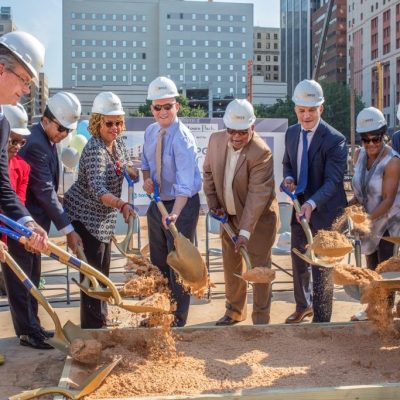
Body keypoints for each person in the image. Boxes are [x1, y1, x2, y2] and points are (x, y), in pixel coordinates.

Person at [64, 92, 136, 329]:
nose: (114, 128)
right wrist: (122, 204)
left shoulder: (118, 144)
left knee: (102, 272)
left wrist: (132, 171)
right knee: (92, 276)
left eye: (118, 122)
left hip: (103, 219)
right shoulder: (95, 149)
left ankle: (100, 321)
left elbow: (126, 164)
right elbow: (97, 188)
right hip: (84, 217)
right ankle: (93, 329)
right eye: (109, 123)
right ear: (97, 122)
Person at [203, 99, 279, 325]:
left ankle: (261, 317)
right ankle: (234, 311)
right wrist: (214, 203)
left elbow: (257, 196)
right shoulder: (216, 141)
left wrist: (245, 232)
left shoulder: (261, 152)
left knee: (259, 268)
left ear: (252, 128)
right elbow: (208, 173)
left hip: (259, 220)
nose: (236, 137)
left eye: (242, 133)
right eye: (232, 131)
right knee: (231, 264)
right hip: (228, 215)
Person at [16, 92, 82, 349]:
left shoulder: (47, 141)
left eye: (68, 131)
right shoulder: (34, 143)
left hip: (36, 224)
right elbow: (44, 191)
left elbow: (50, 191)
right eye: (61, 128)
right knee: (22, 279)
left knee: (32, 275)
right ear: (46, 119)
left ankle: (33, 326)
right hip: (23, 223)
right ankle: (27, 331)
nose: (64, 134)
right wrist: (68, 229)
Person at [0, 31, 48, 364]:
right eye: (24, 80)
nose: (26, 90)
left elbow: (2, 185)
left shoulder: (1, 123)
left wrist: (28, 222)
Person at [282, 79, 347, 324]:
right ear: (295, 109)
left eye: (312, 109)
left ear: (321, 108)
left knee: (321, 266)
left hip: (325, 211)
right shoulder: (290, 133)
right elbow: (288, 163)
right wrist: (289, 178)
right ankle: (303, 306)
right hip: (299, 209)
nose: (306, 115)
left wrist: (312, 203)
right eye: (302, 110)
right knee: (299, 258)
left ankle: (322, 319)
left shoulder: (334, 139)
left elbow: (333, 181)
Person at [141, 77, 201, 327]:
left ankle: (177, 318)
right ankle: (160, 313)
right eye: (158, 107)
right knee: (158, 261)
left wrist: (174, 215)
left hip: (182, 206)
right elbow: (145, 164)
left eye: (168, 106)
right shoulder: (151, 131)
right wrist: (146, 180)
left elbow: (185, 186)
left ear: (177, 106)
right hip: (158, 203)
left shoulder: (183, 139)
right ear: (152, 108)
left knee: (179, 263)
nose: (163, 112)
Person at [350, 107, 400, 321]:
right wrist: (349, 208)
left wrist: (367, 220)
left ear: (384, 134)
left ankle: (385, 315)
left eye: (376, 139)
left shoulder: (393, 161)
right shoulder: (359, 155)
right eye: (366, 139)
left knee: (385, 269)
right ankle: (373, 309)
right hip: (368, 224)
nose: (371, 144)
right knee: (370, 267)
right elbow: (359, 189)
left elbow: (388, 199)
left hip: (388, 223)